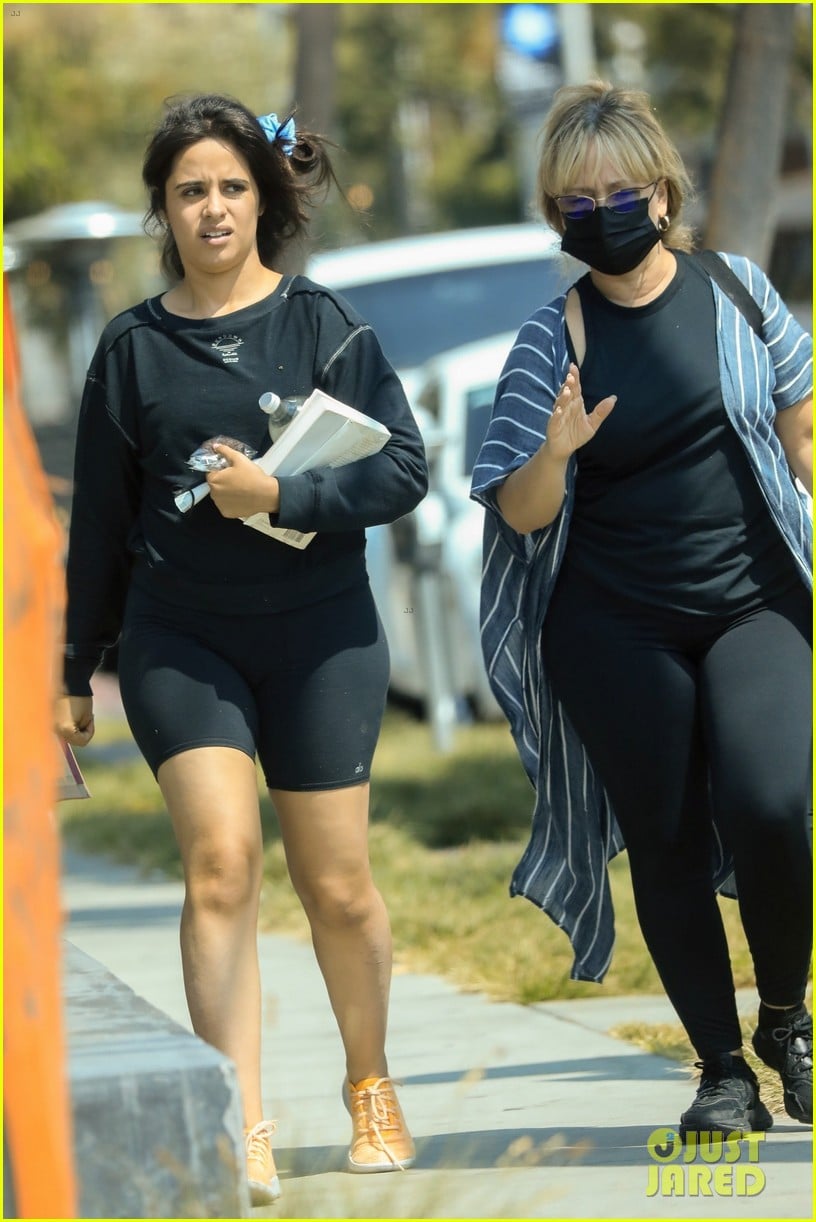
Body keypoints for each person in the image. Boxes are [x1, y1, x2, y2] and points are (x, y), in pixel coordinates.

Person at [55, 93, 427, 1204]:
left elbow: (401, 468)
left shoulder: (323, 324)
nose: (211, 208)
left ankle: (371, 1082)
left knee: (340, 884)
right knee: (220, 865)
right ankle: (241, 1116)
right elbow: (98, 531)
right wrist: (71, 671)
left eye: (229, 186)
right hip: (183, 642)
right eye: (189, 192)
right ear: (162, 212)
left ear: (261, 197)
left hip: (321, 638)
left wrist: (285, 490)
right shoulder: (131, 349)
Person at [471, 81, 812, 1140]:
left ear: (665, 192)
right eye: (579, 199)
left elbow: (802, 435)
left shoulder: (740, 292)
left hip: (754, 600)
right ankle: (720, 1072)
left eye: (621, 191)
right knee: (662, 838)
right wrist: (557, 453)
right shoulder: (549, 338)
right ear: (555, 215)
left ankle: (787, 1021)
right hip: (615, 626)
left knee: (774, 803)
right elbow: (521, 513)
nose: (603, 211)